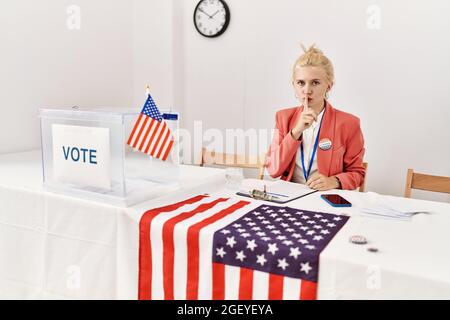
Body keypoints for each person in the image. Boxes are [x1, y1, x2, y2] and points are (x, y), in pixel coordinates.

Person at [266, 44, 365, 191]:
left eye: (315, 83)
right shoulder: (283, 117)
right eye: (301, 83)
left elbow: (357, 174)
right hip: (290, 197)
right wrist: (295, 132)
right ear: (293, 85)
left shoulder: (349, 123)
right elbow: (273, 170)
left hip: (325, 199)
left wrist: (335, 181)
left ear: (329, 86)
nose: (307, 90)